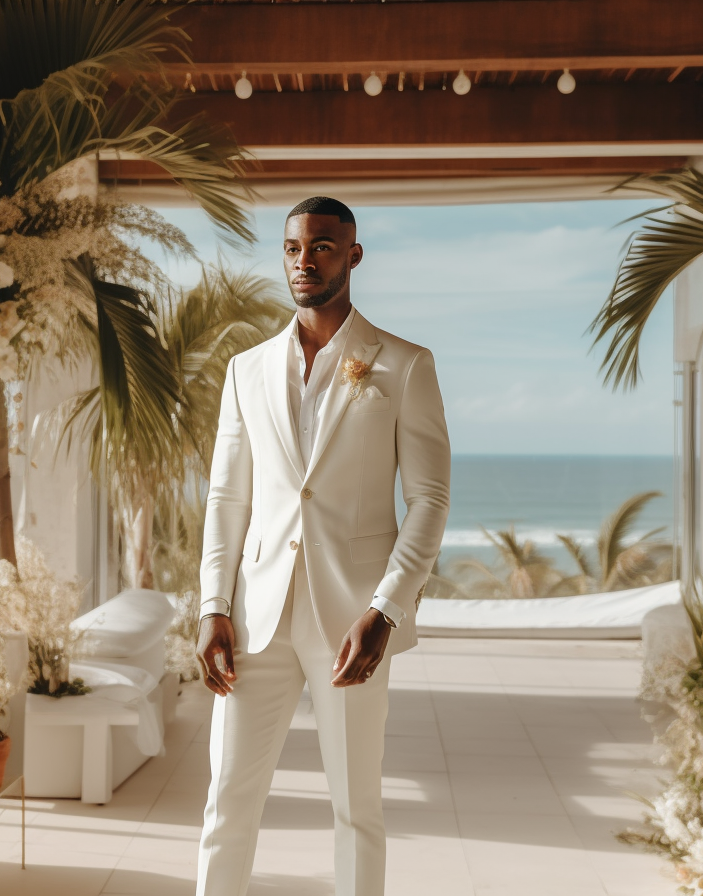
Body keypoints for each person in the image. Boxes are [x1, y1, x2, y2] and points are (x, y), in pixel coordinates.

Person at [194, 196, 451, 896]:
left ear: (353, 255)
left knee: (356, 808)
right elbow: (227, 499)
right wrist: (212, 606)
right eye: (292, 248)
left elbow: (429, 499)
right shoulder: (246, 370)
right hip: (256, 618)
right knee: (227, 805)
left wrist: (388, 608)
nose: (304, 261)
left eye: (322, 247)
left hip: (352, 620)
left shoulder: (402, 364)